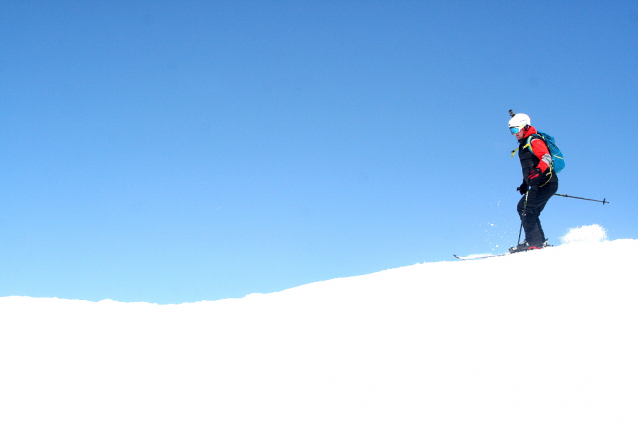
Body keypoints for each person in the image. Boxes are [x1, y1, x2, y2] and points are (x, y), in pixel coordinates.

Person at [508, 113, 558, 252]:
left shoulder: (534, 140)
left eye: (515, 130)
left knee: (524, 208)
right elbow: (528, 167)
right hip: (539, 184)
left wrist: (538, 171)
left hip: (546, 183)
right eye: (511, 131)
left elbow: (546, 157)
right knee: (530, 210)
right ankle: (536, 241)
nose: (514, 134)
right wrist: (525, 183)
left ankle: (534, 242)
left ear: (525, 127)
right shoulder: (524, 145)